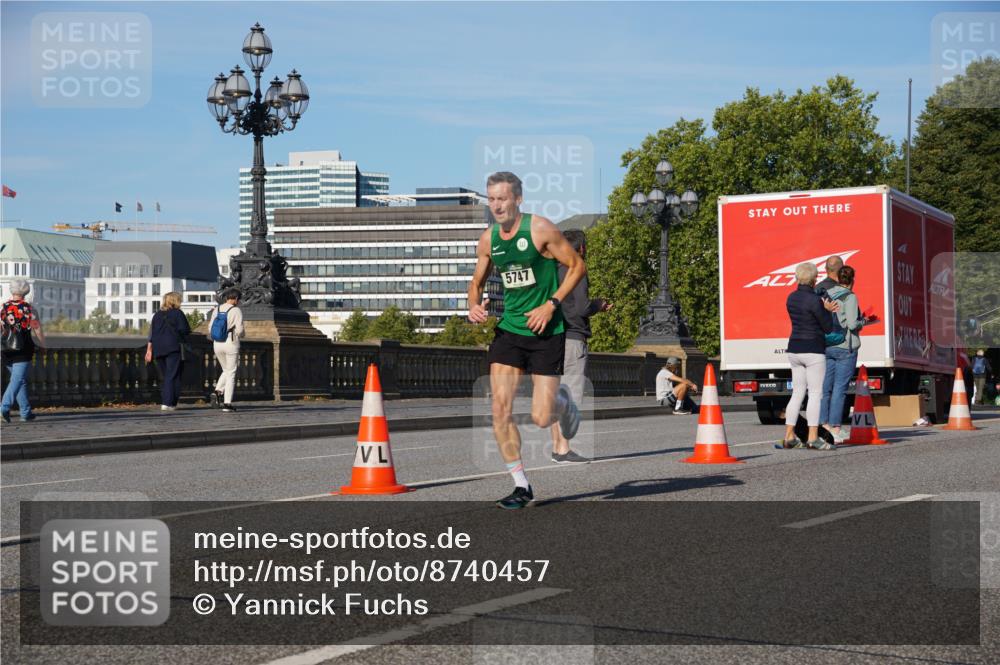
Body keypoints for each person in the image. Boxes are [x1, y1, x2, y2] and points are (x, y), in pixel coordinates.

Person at [468, 171, 586, 509]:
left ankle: (562, 404)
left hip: (546, 332)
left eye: (503, 199)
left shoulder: (540, 229)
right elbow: (476, 282)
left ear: (518, 199)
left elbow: (577, 266)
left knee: (540, 416)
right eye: (491, 199)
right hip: (510, 331)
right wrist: (474, 305)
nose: (497, 206)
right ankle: (522, 485)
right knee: (498, 411)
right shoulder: (489, 239)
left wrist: (552, 305)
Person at [548, 229, 612, 463]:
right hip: (573, 338)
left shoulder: (552, 270)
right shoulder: (577, 268)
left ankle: (557, 447)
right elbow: (583, 307)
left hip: (552, 338)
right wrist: (599, 304)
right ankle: (564, 450)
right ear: (581, 248)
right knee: (571, 396)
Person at [778, 262, 840, 450]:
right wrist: (827, 311)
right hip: (813, 349)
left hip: (794, 349)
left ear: (798, 277)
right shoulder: (814, 300)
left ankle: (789, 435)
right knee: (815, 394)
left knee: (797, 393)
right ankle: (813, 438)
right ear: (814, 279)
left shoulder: (791, 298)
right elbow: (827, 327)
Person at [819, 265, 864, 442]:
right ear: (852, 279)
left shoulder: (828, 294)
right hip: (845, 347)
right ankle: (836, 428)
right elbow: (852, 324)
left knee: (825, 388)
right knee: (840, 389)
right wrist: (863, 322)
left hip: (828, 345)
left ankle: (823, 425)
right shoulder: (850, 297)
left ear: (837, 278)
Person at [1, 280, 45, 423]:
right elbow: (36, 328)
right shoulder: (29, 309)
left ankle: (26, 412)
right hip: (23, 349)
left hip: (6, 349)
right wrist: (43, 344)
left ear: (11, 290)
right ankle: (3, 407)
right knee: (17, 379)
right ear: (26, 292)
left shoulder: (3, 308)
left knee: (20, 380)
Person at [144, 292, 191, 411]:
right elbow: (185, 330)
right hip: (173, 347)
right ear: (176, 301)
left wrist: (149, 350)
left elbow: (151, 334)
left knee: (168, 376)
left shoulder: (157, 315)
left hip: (158, 348)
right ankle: (167, 402)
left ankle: (172, 402)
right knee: (173, 375)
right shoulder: (177, 313)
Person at [208, 288, 245, 413]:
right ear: (235, 299)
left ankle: (217, 391)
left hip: (217, 343)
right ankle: (227, 403)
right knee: (232, 373)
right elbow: (239, 331)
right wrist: (243, 335)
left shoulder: (217, 309)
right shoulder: (236, 310)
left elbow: (210, 328)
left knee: (226, 370)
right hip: (230, 343)